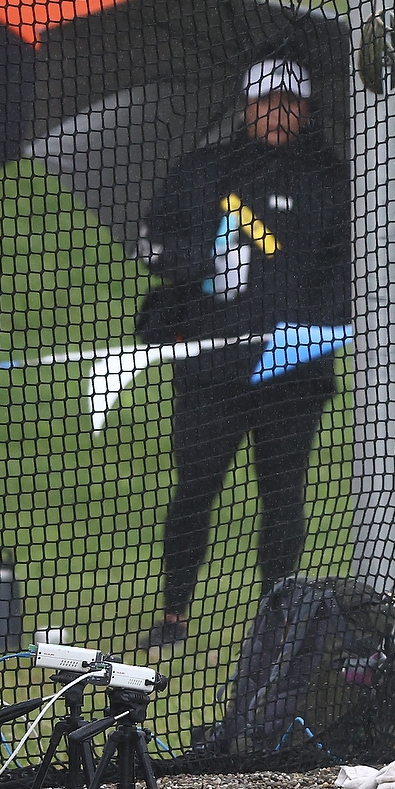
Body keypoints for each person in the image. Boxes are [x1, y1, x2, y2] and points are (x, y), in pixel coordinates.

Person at [137, 59, 351, 651]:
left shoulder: (334, 182)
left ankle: (277, 619)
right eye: (266, 102)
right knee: (194, 489)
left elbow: (348, 280)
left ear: (309, 111)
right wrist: (201, 267)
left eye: (291, 103)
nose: (278, 113)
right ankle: (174, 612)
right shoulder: (203, 171)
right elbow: (151, 243)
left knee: (283, 495)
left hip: (293, 373)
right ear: (245, 106)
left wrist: (310, 330)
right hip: (210, 372)